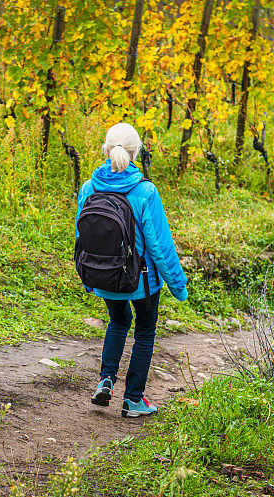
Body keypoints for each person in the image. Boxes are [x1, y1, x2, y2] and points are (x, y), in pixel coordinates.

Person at [76, 123, 188, 418]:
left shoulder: (89, 187)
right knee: (145, 332)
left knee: (118, 321)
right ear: (136, 152)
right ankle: (133, 400)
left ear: (105, 149)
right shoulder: (145, 192)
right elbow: (160, 247)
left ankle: (106, 380)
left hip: (104, 276)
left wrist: (88, 278)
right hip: (141, 280)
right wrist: (178, 286)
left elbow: (82, 238)